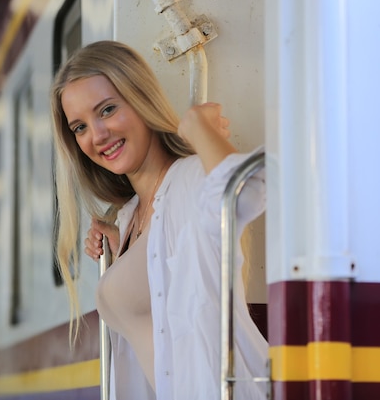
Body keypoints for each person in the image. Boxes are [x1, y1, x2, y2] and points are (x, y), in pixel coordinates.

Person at [50, 40, 267, 399]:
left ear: (141, 100)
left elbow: (248, 191)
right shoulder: (131, 214)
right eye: (80, 128)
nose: (97, 136)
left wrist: (198, 127)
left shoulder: (189, 178)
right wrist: (122, 257)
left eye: (106, 110)